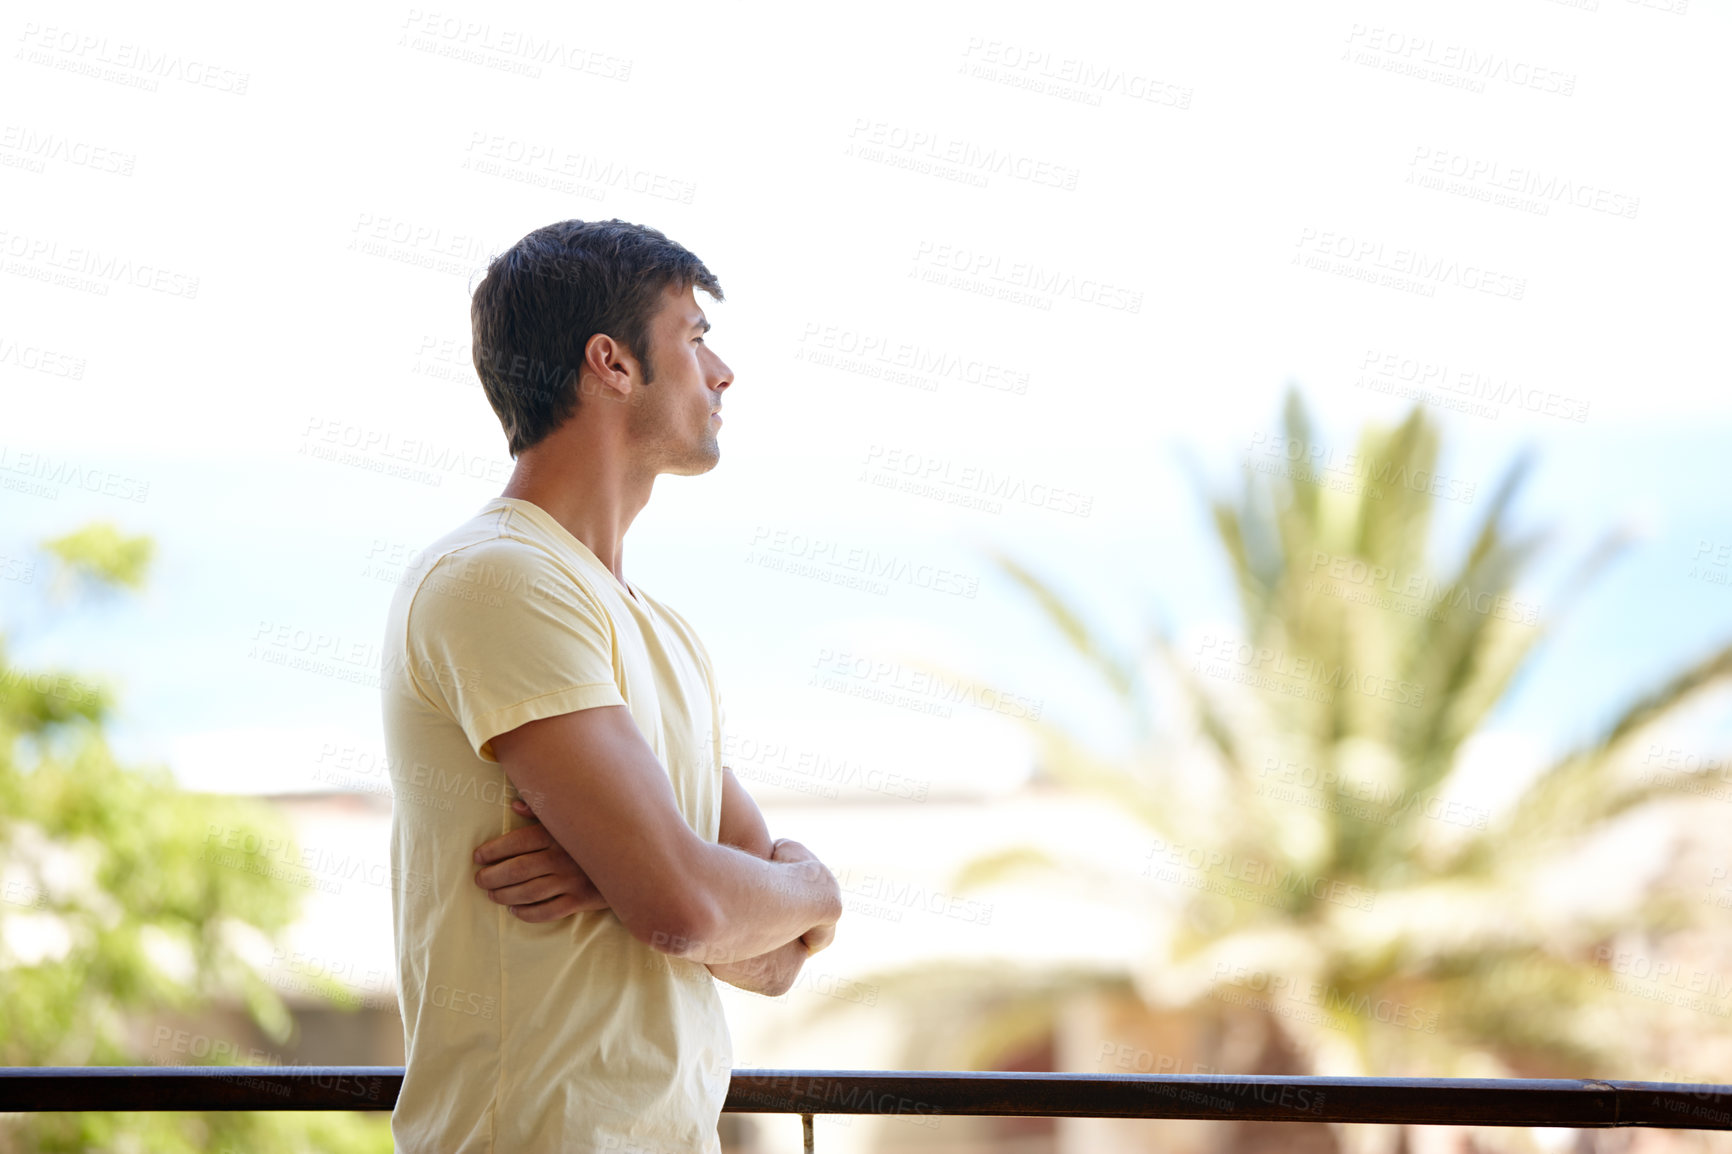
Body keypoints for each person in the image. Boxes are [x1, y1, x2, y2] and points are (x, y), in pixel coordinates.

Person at [380, 218, 843, 1153]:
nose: (722, 372)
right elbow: (691, 910)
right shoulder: (501, 578)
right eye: (696, 336)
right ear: (612, 363)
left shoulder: (657, 629)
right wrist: (748, 884)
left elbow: (773, 960)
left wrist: (631, 876)